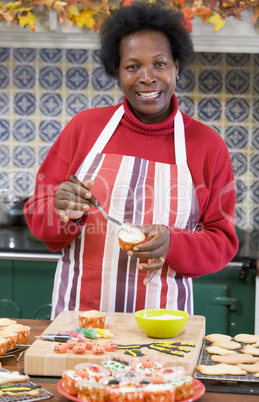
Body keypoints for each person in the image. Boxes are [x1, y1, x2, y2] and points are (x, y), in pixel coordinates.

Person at [24, 1, 238, 320]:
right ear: (117, 72)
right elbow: (38, 214)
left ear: (177, 67)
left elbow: (222, 241)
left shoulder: (207, 146)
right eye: (132, 66)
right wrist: (61, 209)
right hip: (80, 325)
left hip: (161, 331)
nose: (147, 77)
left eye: (160, 64)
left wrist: (173, 244)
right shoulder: (85, 129)